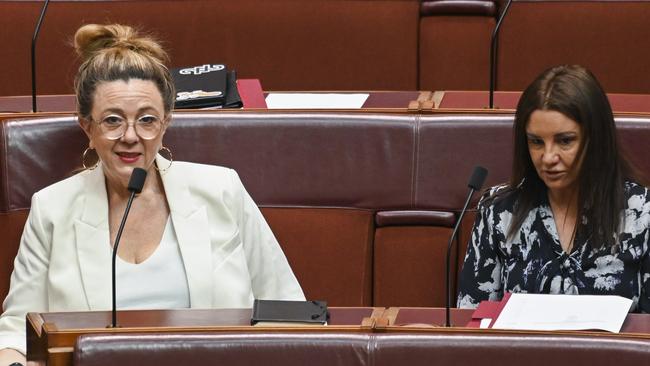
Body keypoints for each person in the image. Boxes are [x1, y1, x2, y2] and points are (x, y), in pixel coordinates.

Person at [0, 24, 304, 364]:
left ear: (165, 123)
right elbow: (16, 331)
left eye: (146, 120)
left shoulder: (221, 191)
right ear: (87, 127)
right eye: (113, 121)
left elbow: (287, 308)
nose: (131, 136)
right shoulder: (52, 208)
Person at [457, 65, 650, 312]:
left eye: (564, 140)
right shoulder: (498, 211)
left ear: (595, 139)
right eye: (536, 142)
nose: (548, 157)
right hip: (518, 352)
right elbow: (472, 322)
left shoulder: (642, 213)